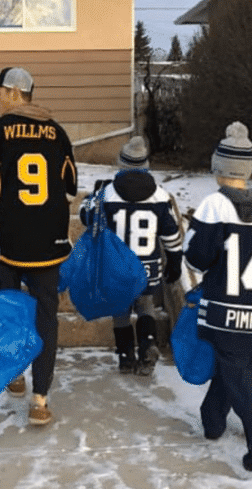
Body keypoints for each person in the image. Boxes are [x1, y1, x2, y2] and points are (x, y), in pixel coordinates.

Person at [0, 67, 77, 426]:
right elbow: (71, 188)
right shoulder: (58, 133)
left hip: (9, 241)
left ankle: (14, 374)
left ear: (16, 93)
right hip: (50, 243)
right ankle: (40, 399)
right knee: (46, 316)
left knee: (11, 309)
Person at [183, 121, 252, 476]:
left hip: (224, 306)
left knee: (240, 377)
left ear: (217, 167)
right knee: (235, 363)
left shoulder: (214, 206)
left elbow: (197, 256)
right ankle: (212, 420)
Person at [78, 136, 183, 376]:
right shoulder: (159, 195)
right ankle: (147, 344)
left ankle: (126, 357)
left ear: (121, 165)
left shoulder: (108, 193)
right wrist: (175, 260)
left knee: (120, 310)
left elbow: (86, 218)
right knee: (146, 305)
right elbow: (171, 232)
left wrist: (89, 199)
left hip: (116, 267)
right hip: (147, 266)